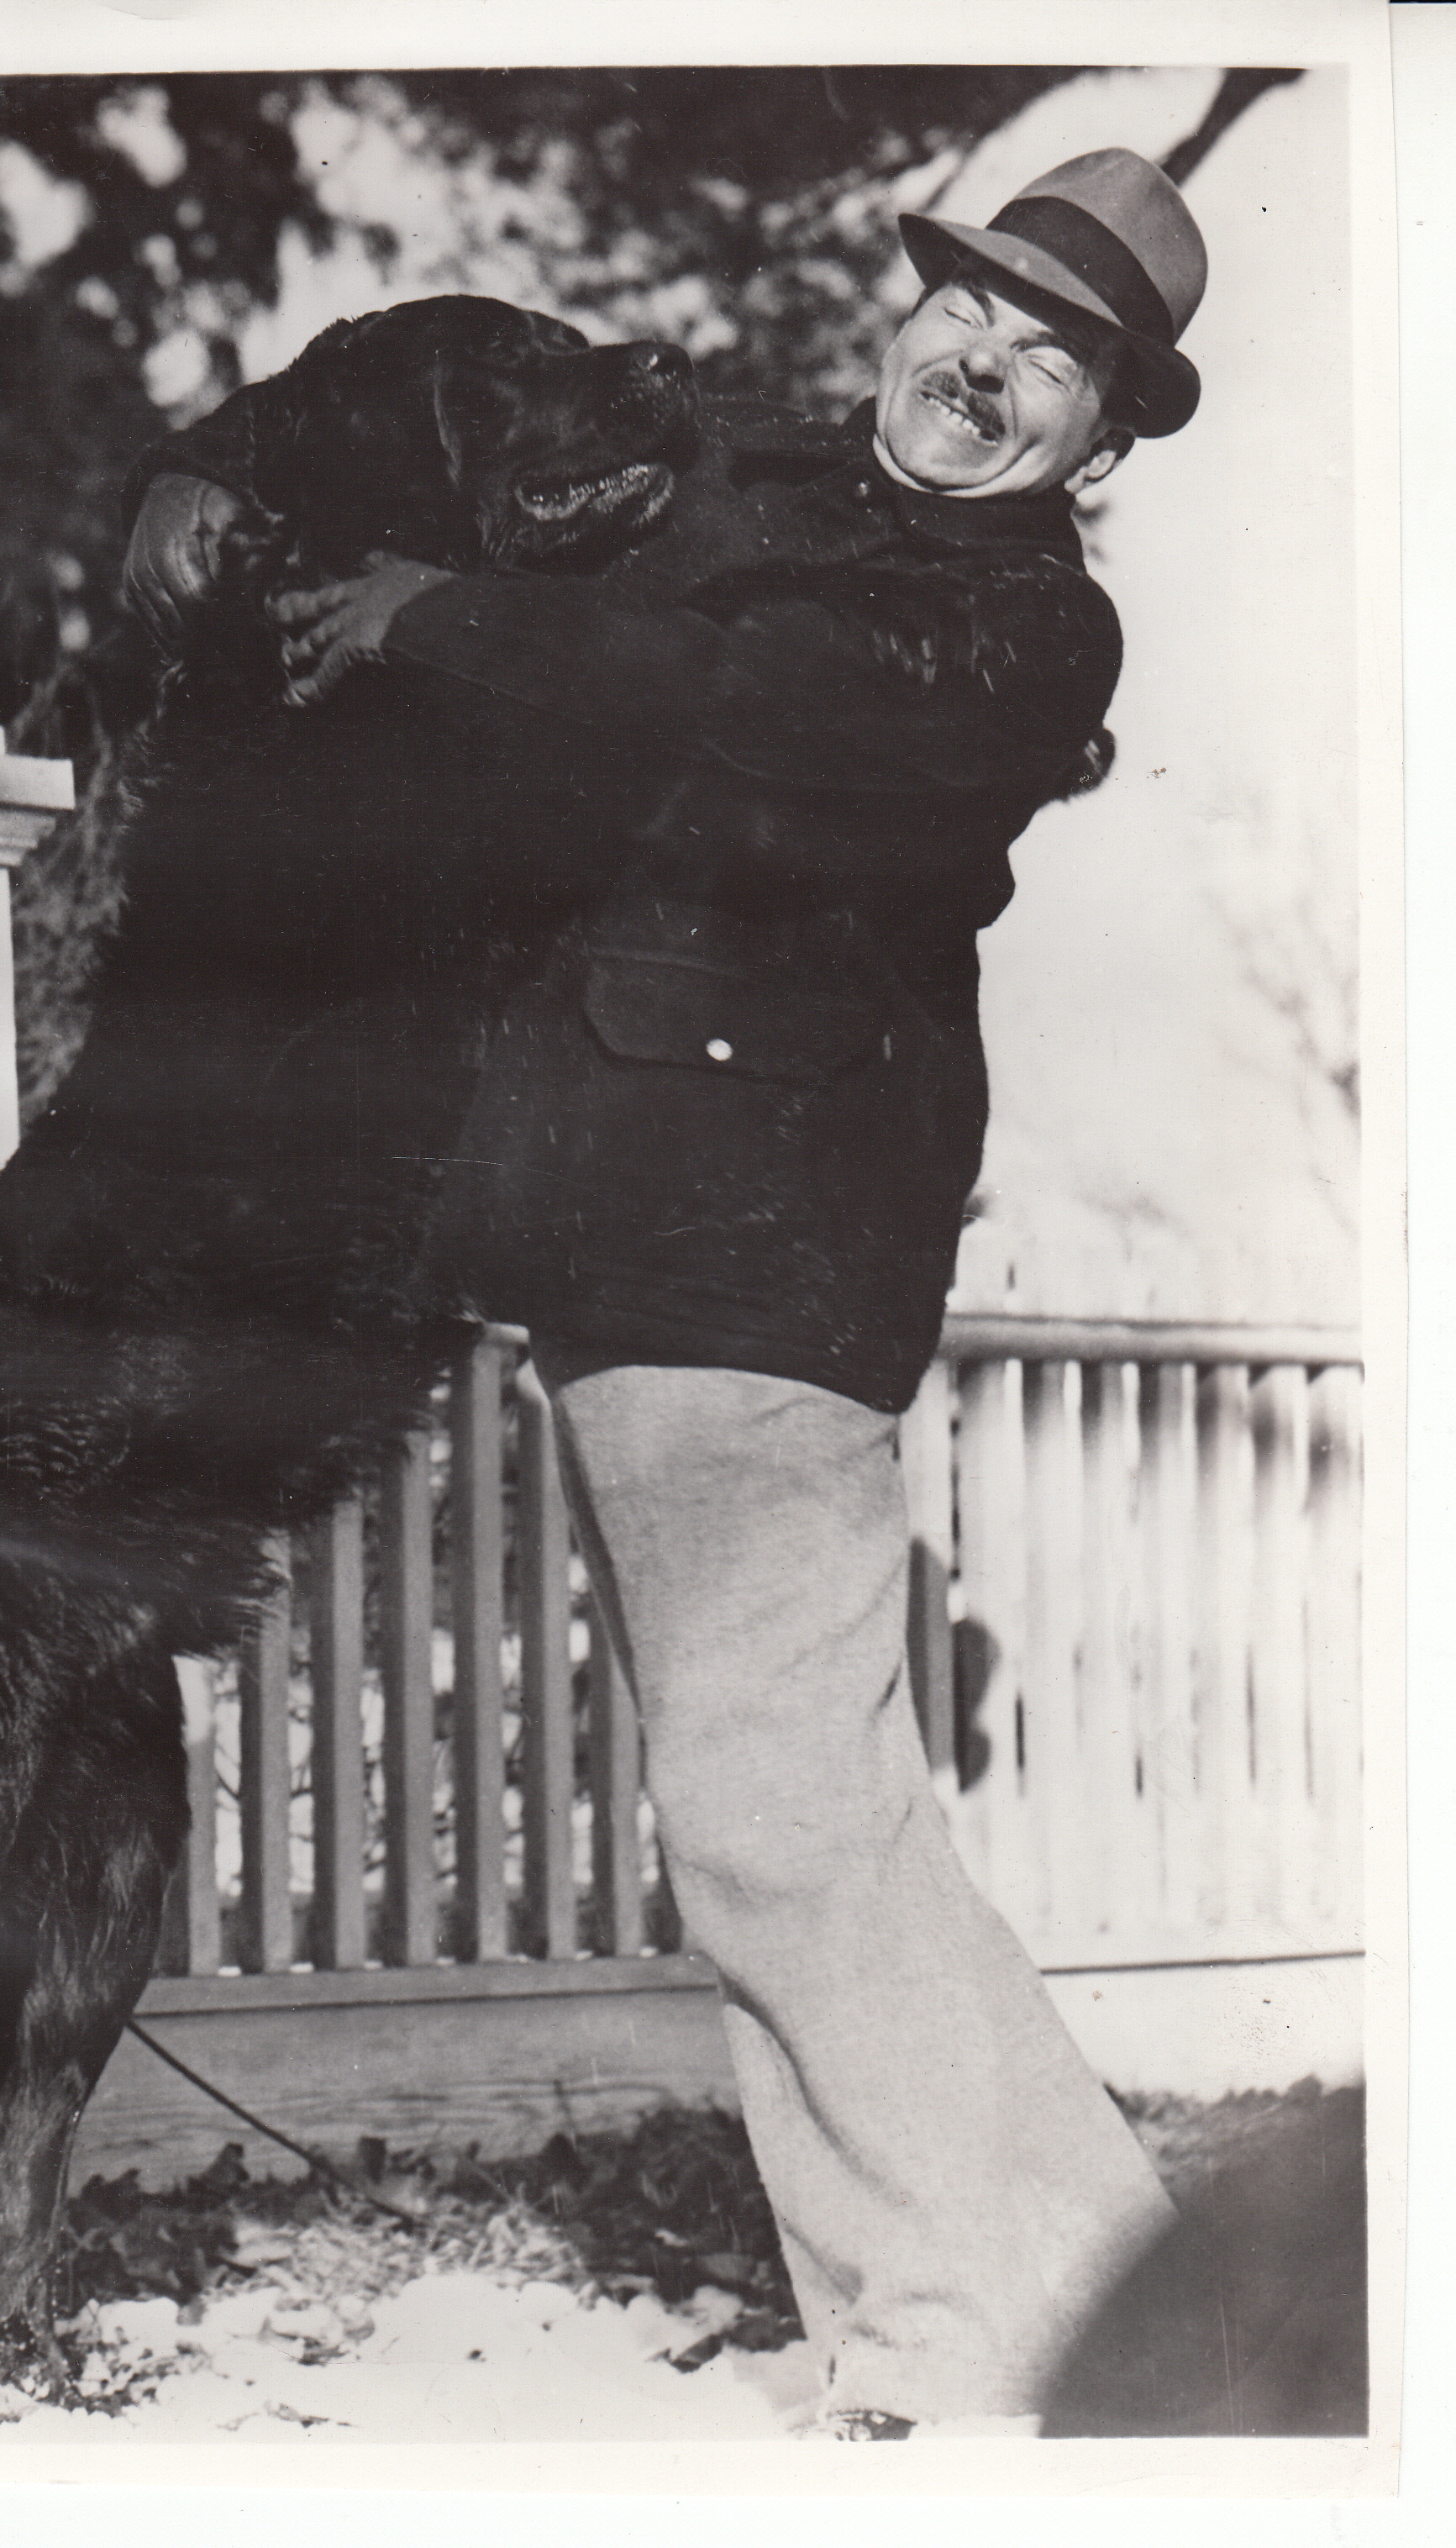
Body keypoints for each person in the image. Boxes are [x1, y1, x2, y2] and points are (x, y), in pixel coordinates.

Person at [123, 148, 1209, 2436]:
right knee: (790, 1815)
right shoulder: (738, 469)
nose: (983, 365)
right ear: (903, 314)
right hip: (624, 1238)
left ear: (1099, 440)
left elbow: (738, 715)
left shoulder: (1022, 631)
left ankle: (1006, 2335)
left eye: (1052, 362)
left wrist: (434, 617)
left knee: (778, 1818)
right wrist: (218, 460)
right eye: (967, 309)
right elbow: (467, 369)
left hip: (766, 1254)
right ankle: (1010, 2312)